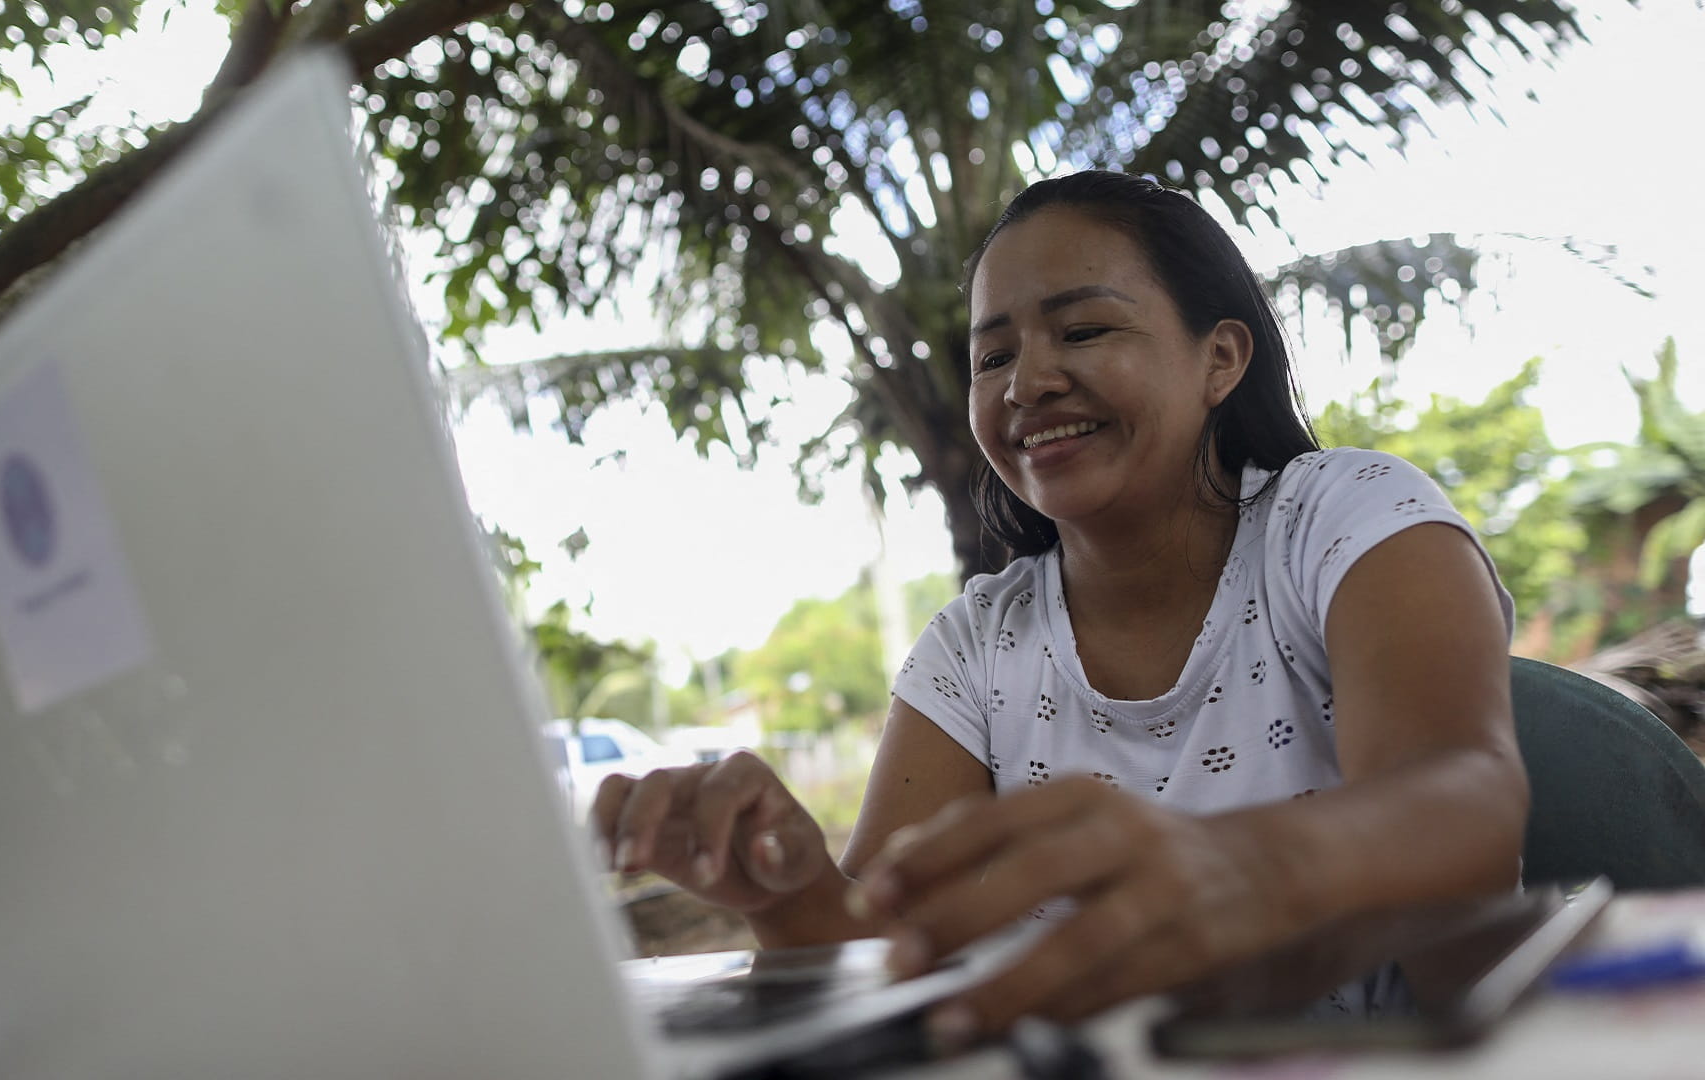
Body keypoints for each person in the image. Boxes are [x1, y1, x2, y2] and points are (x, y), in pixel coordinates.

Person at [591, 171, 1528, 1049]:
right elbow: (880, 959)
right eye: (991, 355)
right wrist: (786, 894)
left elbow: (1470, 802)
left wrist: (1251, 866)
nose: (1026, 383)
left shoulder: (1344, 518)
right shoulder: (976, 644)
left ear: (1220, 358)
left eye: (1081, 332)